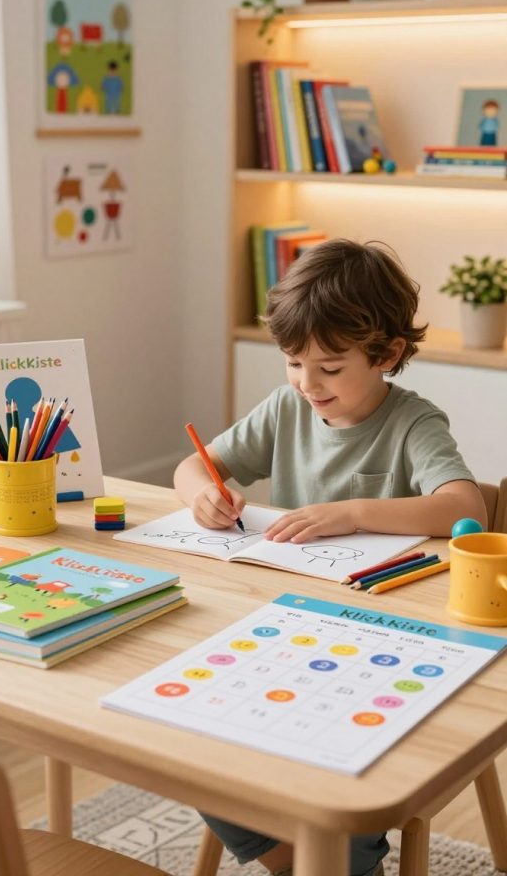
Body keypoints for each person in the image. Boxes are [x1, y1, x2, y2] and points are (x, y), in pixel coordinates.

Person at [173, 238, 486, 876]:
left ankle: (339, 854)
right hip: (282, 627)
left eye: (330, 368)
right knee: (183, 743)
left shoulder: (413, 423)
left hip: (382, 641)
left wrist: (351, 511)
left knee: (327, 766)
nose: (307, 384)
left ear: (388, 355)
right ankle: (311, 855)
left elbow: (467, 508)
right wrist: (205, 494)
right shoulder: (287, 408)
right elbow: (190, 464)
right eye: (292, 362)